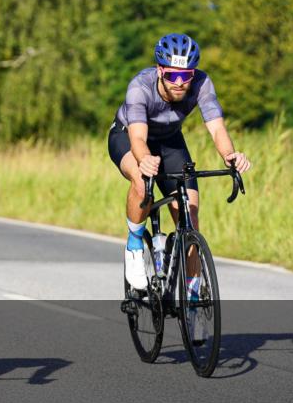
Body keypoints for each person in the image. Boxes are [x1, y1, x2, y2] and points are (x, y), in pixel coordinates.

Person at [107, 33, 252, 297]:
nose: (180, 83)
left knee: (189, 216)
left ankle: (193, 293)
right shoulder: (140, 86)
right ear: (160, 70)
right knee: (141, 180)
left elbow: (217, 129)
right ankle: (134, 244)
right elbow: (138, 138)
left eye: (186, 75)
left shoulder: (201, 83)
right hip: (128, 136)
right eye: (173, 76)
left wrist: (230, 156)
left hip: (170, 141)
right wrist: (144, 159)